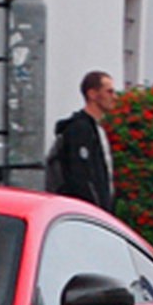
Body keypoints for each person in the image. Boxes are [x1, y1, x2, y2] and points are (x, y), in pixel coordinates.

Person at [48, 70, 117, 211]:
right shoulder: (79, 130)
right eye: (109, 92)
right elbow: (80, 176)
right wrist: (93, 209)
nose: (114, 97)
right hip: (85, 213)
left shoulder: (96, 129)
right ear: (92, 94)